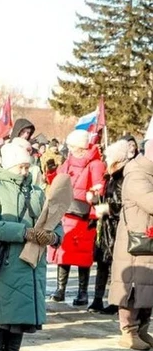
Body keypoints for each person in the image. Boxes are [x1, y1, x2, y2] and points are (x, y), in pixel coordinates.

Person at [0, 143, 63, 351]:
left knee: (21, 314)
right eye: (20, 167)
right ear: (9, 166)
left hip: (32, 262)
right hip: (5, 260)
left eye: (27, 166)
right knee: (0, 313)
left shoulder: (37, 192)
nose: (25, 171)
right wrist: (23, 232)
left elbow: (54, 220)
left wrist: (54, 236)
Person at [48, 130, 106, 305]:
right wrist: (51, 173)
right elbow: (57, 182)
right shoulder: (68, 161)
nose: (70, 149)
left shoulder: (95, 164)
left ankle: (82, 292)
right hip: (67, 211)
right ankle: (60, 288)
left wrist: (93, 197)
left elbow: (99, 188)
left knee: (83, 255)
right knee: (64, 251)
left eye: (72, 146)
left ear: (81, 147)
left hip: (85, 215)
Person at [109, 136, 153, 351]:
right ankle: (129, 332)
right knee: (133, 288)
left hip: (146, 241)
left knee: (148, 287)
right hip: (136, 243)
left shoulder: (147, 172)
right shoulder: (136, 174)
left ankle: (142, 329)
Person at [90, 141, 129, 314]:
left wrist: (109, 208)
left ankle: (115, 302)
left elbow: (124, 204)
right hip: (106, 228)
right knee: (102, 263)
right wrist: (95, 198)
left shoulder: (122, 178)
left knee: (115, 266)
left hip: (116, 228)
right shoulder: (110, 177)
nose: (105, 160)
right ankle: (98, 299)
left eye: (108, 157)